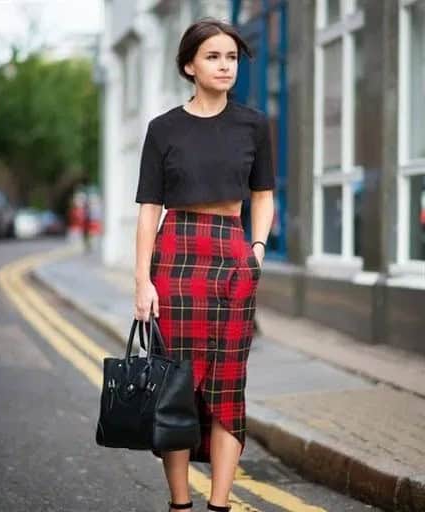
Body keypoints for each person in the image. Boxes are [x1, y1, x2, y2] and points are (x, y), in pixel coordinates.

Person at [134, 17, 275, 512]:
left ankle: (219, 505)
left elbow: (263, 195)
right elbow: (149, 209)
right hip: (175, 258)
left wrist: (256, 249)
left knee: (227, 386)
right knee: (177, 387)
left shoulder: (254, 124)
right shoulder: (163, 129)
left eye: (231, 57)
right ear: (189, 65)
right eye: (213, 56)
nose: (224, 66)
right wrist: (141, 280)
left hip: (232, 258)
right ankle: (180, 504)